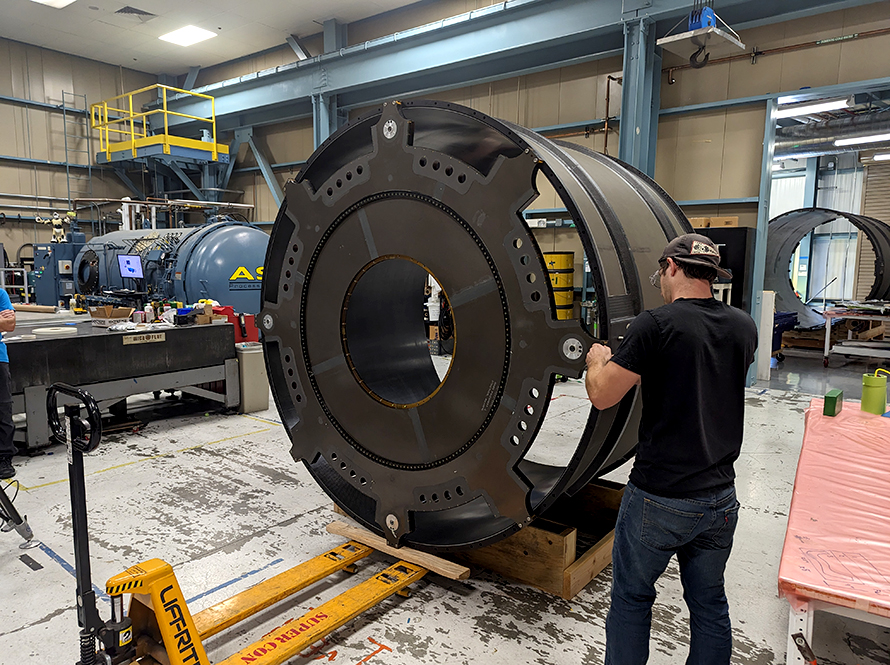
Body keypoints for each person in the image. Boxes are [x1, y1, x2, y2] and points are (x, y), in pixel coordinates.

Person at [585, 233, 757, 665]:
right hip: (720, 498)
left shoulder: (656, 324)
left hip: (660, 499)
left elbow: (604, 395)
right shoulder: (743, 325)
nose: (660, 280)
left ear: (672, 267)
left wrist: (596, 363)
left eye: (661, 272)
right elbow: (702, 373)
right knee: (710, 606)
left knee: (631, 600)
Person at [0, 288, 16, 479]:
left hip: (0, 358)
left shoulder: (1, 294)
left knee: (3, 409)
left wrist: (4, 322)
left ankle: (4, 457)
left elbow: (10, 324)